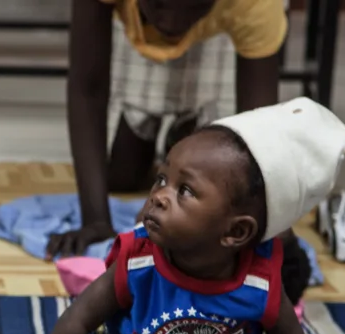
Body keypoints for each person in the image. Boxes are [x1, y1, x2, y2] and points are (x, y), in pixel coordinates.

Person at [41, 98, 345, 334]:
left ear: (235, 231)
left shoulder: (258, 281)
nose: (158, 195)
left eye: (184, 190)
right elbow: (79, 319)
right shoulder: (139, 257)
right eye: (161, 179)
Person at [49, 0, 313, 306]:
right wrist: (96, 221)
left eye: (192, 6)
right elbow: (88, 86)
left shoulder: (255, 5)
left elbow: (257, 127)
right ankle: (172, 136)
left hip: (221, 36)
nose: (173, 22)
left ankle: (187, 131)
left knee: (220, 174)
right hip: (139, 40)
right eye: (161, 5)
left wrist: (271, 230)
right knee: (123, 174)